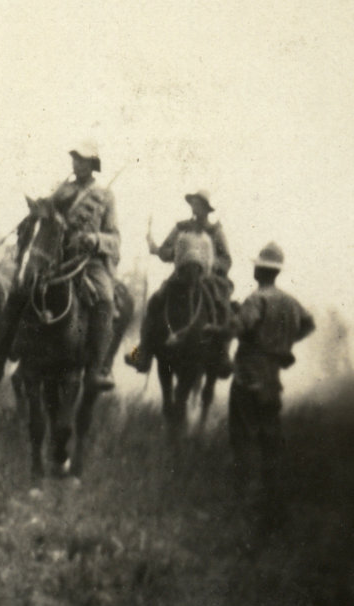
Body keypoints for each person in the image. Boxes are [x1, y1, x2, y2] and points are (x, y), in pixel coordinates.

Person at [0, 141, 120, 390]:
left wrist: (96, 239)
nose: (77, 164)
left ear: (92, 165)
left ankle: (95, 370)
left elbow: (114, 237)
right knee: (19, 289)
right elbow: (45, 219)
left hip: (86, 260)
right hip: (53, 256)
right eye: (75, 159)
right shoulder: (62, 189)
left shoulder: (104, 196)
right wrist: (36, 212)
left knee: (105, 297)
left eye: (82, 160)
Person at [228, 242, 314, 498]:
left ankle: (242, 493)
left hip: (248, 376)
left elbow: (239, 328)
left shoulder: (256, 299)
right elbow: (308, 324)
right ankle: (271, 496)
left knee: (242, 435)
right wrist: (285, 346)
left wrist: (229, 319)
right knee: (270, 436)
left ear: (261, 271)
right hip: (272, 379)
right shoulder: (289, 301)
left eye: (257, 267)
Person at [125, 189, 234, 375]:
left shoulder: (215, 231)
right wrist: (173, 253)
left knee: (222, 306)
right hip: (182, 274)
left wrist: (208, 262)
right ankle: (142, 352)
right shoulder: (181, 227)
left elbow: (226, 260)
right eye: (193, 203)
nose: (195, 207)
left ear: (207, 209)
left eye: (199, 204)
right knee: (156, 300)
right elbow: (164, 250)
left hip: (209, 277)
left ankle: (222, 356)